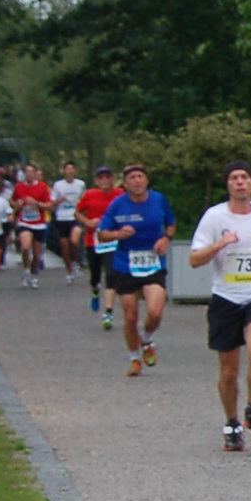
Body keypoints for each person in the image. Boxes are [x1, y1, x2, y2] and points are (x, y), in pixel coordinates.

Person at [190, 160, 251, 451]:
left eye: (244, 177)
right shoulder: (214, 217)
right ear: (227, 184)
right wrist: (219, 244)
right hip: (226, 297)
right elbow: (194, 259)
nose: (240, 182)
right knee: (229, 371)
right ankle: (231, 422)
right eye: (234, 178)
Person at [96, 163, 176, 376]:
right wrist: (117, 235)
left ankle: (147, 339)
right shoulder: (117, 205)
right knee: (130, 317)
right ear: (125, 183)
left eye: (141, 176)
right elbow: (101, 234)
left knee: (155, 312)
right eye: (132, 177)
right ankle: (134, 359)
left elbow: (171, 224)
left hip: (153, 263)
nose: (137, 180)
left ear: (146, 180)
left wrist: (166, 238)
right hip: (126, 265)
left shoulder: (158, 200)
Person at [77, 167, 124, 327]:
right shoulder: (90, 195)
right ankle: (95, 291)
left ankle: (108, 312)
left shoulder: (120, 195)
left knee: (111, 274)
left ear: (112, 179)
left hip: (112, 240)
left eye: (107, 177)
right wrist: (87, 222)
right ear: (97, 181)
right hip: (93, 240)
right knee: (95, 276)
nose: (105, 181)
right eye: (101, 178)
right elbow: (77, 212)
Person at [12, 164, 54, 288]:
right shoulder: (19, 187)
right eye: (27, 171)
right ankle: (25, 270)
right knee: (25, 247)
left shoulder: (42, 187)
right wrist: (17, 204)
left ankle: (33, 275)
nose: (29, 174)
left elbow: (50, 206)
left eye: (32, 172)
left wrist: (36, 203)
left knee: (36, 254)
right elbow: (12, 201)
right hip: (24, 222)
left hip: (39, 224)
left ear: (35, 174)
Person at [51, 161, 87, 281]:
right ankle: (69, 270)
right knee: (65, 247)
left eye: (72, 169)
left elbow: (85, 199)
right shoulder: (58, 185)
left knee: (75, 241)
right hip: (62, 218)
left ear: (75, 171)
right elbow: (52, 203)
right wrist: (59, 201)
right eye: (67, 169)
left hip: (75, 217)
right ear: (64, 171)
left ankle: (76, 262)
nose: (70, 171)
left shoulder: (80, 184)